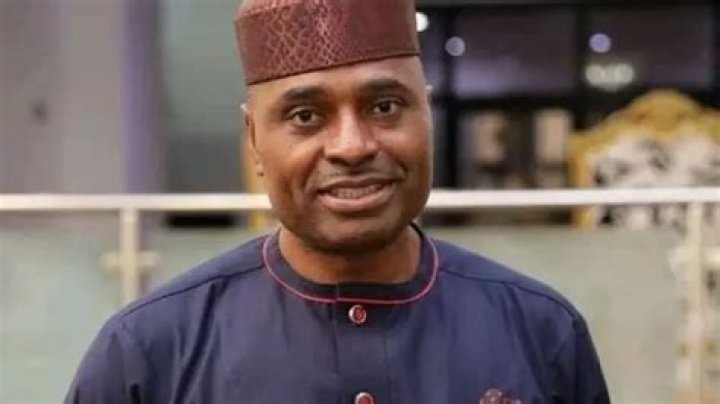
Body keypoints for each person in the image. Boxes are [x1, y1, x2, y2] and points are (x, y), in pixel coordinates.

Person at [65, 0, 609, 403]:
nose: (352, 146)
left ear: (427, 115)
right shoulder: (148, 355)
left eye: (385, 106)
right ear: (254, 140)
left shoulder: (540, 332)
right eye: (306, 116)